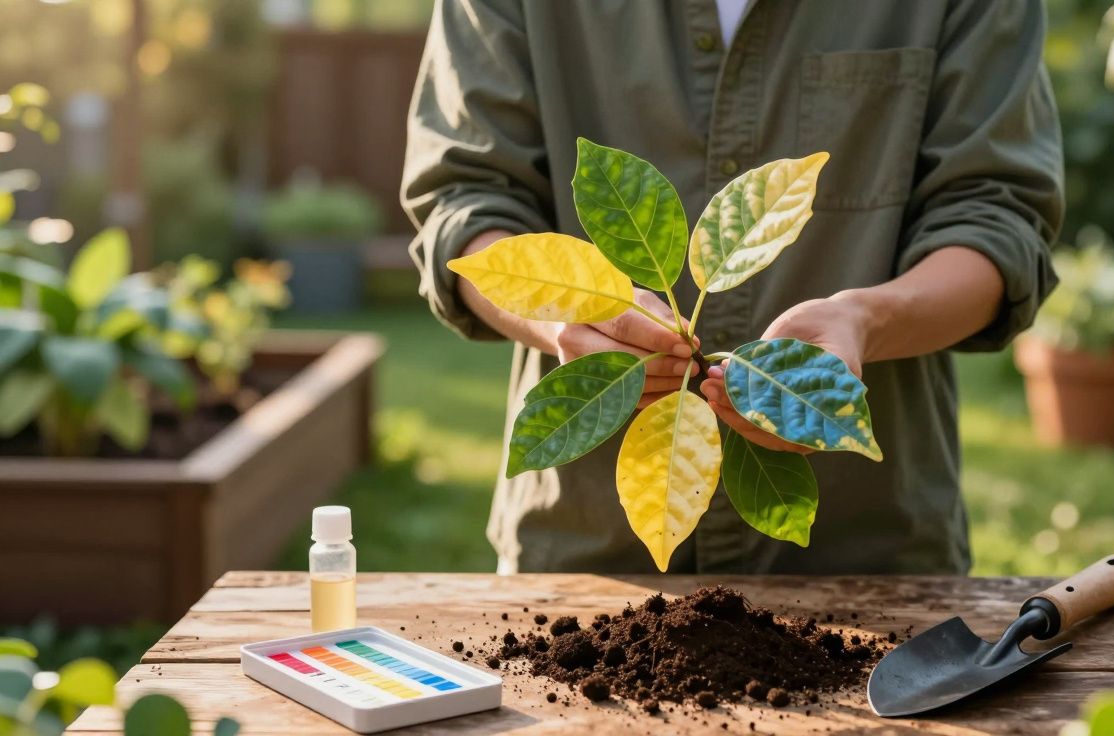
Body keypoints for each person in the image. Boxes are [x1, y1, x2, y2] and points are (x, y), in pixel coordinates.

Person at [402, 0, 1063, 575]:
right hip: (588, 558)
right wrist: (569, 319)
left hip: (868, 556)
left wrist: (865, 320)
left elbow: (996, 219)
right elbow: (466, 204)